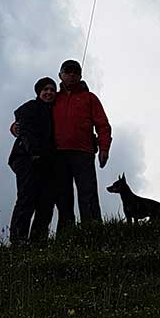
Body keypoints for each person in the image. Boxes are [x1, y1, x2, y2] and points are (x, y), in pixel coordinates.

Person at [51, 59, 112, 231]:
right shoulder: (53, 97)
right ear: (60, 75)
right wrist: (15, 127)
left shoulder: (90, 98)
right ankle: (66, 237)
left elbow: (103, 125)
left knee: (88, 195)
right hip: (58, 155)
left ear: (80, 75)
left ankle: (94, 233)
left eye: (75, 72)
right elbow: (34, 114)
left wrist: (104, 148)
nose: (71, 74)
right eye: (67, 71)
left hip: (83, 154)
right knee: (63, 198)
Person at [8, 77, 58, 244]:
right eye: (45, 90)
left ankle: (38, 241)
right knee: (27, 198)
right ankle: (18, 240)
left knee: (46, 202)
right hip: (26, 158)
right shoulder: (31, 106)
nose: (49, 92)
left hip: (47, 161)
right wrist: (34, 152)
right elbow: (23, 126)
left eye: (52, 90)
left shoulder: (54, 111)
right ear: (39, 93)